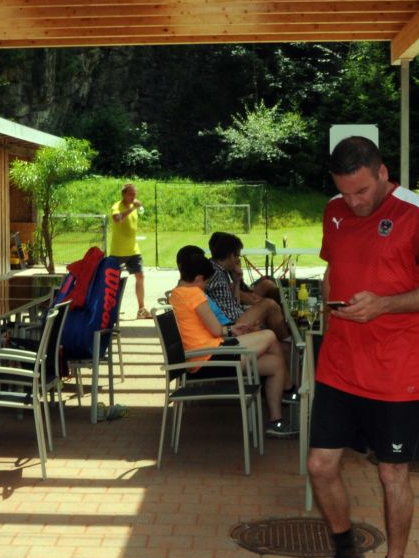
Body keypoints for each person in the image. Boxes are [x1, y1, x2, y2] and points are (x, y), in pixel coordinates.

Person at [307, 136, 419, 558]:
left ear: (383, 173)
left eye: (362, 191)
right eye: (344, 192)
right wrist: (330, 303)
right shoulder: (334, 211)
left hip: (396, 373)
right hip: (339, 364)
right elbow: (332, 270)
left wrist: (384, 305)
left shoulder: (417, 212)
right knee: (319, 465)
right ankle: (345, 549)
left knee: (393, 474)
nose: (353, 202)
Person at [168, 250, 290, 436]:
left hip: (204, 355)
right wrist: (229, 331)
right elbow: (216, 330)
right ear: (198, 278)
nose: (206, 286)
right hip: (210, 358)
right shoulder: (194, 294)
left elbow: (214, 330)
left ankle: (276, 421)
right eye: (206, 282)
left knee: (276, 364)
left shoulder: (177, 293)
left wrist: (232, 330)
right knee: (270, 335)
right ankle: (287, 390)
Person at [205, 231, 289, 340]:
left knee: (268, 300)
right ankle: (289, 342)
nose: (238, 260)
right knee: (269, 304)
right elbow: (231, 313)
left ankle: (285, 335)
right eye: (237, 256)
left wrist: (237, 281)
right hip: (231, 325)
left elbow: (234, 304)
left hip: (234, 317)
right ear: (231, 256)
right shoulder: (214, 274)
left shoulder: (220, 270)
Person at [109, 183, 150, 319]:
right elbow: (117, 219)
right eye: (131, 194)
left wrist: (134, 207)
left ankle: (141, 309)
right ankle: (110, 311)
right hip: (118, 251)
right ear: (124, 194)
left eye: (134, 194)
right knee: (113, 281)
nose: (133, 196)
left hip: (133, 250)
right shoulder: (117, 206)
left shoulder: (134, 206)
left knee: (140, 276)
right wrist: (132, 208)